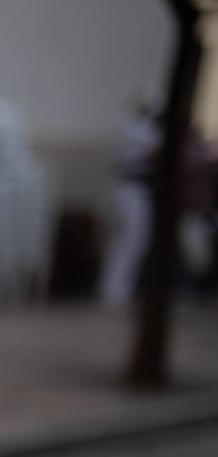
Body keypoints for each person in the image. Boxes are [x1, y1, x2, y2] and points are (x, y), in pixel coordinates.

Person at [99, 99, 161, 308]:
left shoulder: (130, 127)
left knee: (125, 241)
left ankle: (116, 289)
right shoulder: (138, 129)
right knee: (133, 241)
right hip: (132, 191)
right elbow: (154, 152)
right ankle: (116, 291)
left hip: (130, 191)